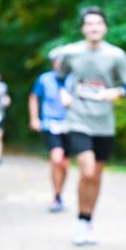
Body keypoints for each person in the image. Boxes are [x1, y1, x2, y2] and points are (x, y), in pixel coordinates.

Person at [47, 6, 126, 245]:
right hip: (78, 118)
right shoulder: (71, 52)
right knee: (86, 170)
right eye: (89, 24)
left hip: (104, 122)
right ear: (82, 29)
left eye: (98, 23)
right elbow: (57, 76)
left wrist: (117, 92)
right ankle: (79, 221)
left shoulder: (116, 55)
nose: (93, 27)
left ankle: (88, 220)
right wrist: (63, 92)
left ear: (105, 27)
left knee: (96, 175)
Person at [29, 56, 75, 212]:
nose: (60, 65)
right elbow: (34, 97)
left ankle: (59, 194)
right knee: (56, 159)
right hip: (51, 123)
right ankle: (56, 196)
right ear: (53, 63)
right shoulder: (44, 79)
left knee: (65, 164)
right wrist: (34, 118)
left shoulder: (73, 79)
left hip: (70, 124)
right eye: (58, 62)